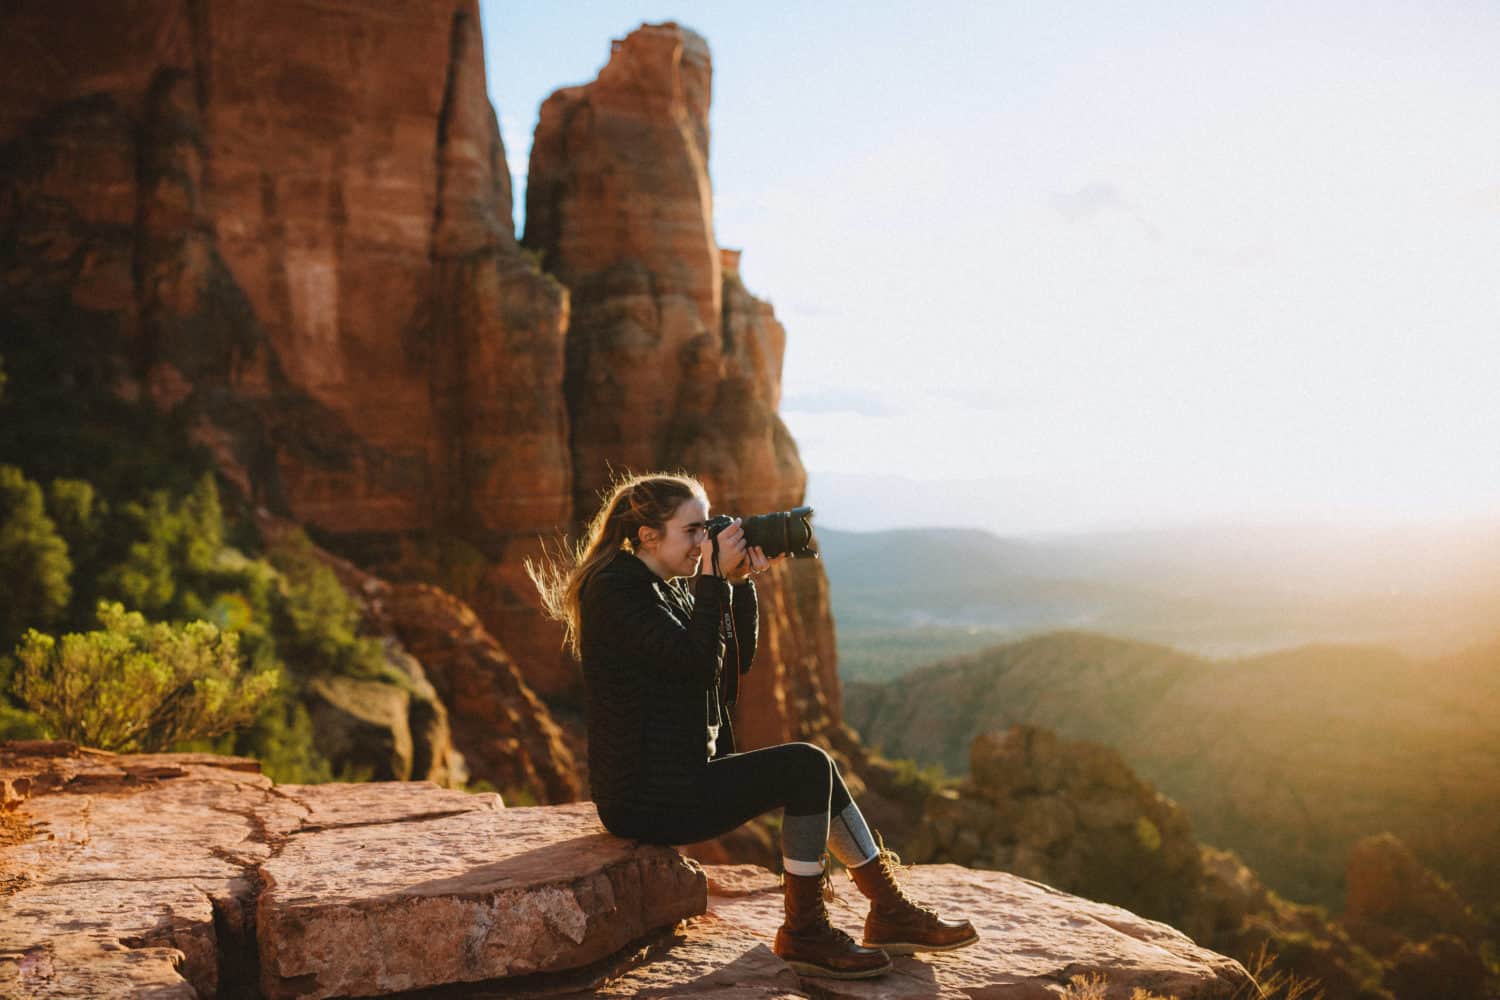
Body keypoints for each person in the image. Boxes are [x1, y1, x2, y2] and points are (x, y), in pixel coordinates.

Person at [529, 472, 977, 979]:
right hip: (646, 797)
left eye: (706, 530)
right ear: (649, 535)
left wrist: (738, 584)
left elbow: (733, 660)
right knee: (805, 767)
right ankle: (804, 929)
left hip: (680, 777)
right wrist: (714, 579)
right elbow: (698, 664)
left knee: (818, 768)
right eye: (692, 530)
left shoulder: (664, 585)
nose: (703, 541)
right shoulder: (615, 592)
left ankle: (888, 910)